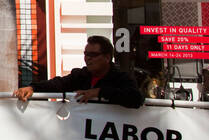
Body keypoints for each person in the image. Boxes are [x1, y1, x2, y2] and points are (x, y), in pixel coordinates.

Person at [14, 35, 144, 108]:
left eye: (93, 54)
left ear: (107, 57)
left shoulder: (121, 78)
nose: (88, 58)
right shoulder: (81, 75)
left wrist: (99, 92)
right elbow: (58, 84)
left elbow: (136, 99)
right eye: (86, 54)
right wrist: (32, 88)